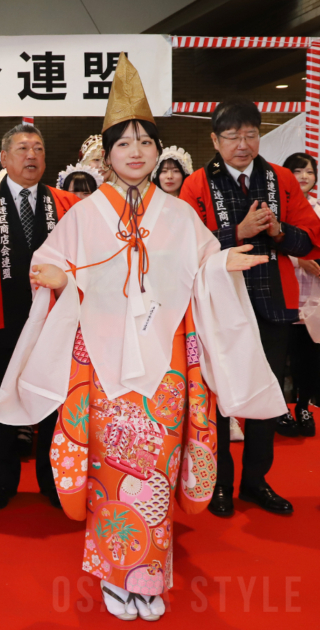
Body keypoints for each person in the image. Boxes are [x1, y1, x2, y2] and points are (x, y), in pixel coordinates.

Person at [0, 53, 285, 622]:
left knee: (156, 462)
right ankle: (114, 572)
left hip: (165, 361)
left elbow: (199, 266)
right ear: (107, 153)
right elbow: (48, 265)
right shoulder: (84, 214)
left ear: (157, 151)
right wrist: (58, 280)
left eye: (145, 143)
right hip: (101, 364)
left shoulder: (177, 214)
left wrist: (220, 264)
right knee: (110, 465)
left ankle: (147, 576)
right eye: (124, 143)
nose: (135, 152)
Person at [180, 96, 320, 517]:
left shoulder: (281, 178)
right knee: (220, 393)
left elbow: (311, 239)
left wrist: (279, 232)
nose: (242, 144)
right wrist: (236, 232)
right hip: (219, 307)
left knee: (267, 393)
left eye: (251, 134)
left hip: (273, 302)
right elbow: (184, 249)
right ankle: (220, 482)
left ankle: (255, 481)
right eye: (232, 136)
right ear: (214, 140)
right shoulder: (196, 185)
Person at [0, 123, 81, 511]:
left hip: (55, 321)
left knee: (53, 401)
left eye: (38, 149)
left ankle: (52, 481)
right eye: (22, 148)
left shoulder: (66, 202)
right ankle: (2, 481)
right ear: (4, 158)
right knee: (0, 400)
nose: (32, 155)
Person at [283, 151, 319, 437]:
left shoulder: (318, 209)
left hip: (314, 298)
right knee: (280, 357)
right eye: (297, 171)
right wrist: (300, 260)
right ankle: (280, 410)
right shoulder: (279, 210)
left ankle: (304, 406)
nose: (304, 176)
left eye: (309, 171)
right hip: (283, 295)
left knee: (310, 359)